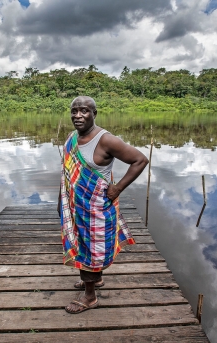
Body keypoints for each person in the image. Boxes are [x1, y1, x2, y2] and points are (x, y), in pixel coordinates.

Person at [58, 96, 149, 314]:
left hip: (96, 208)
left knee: (89, 249)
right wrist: (61, 202)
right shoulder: (72, 138)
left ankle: (90, 297)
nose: (78, 116)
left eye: (84, 111)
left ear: (94, 114)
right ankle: (95, 280)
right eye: (74, 111)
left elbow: (140, 160)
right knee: (84, 246)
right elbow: (67, 173)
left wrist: (117, 188)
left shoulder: (106, 140)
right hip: (75, 206)